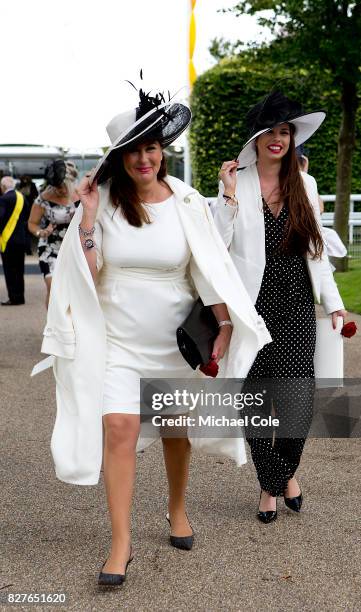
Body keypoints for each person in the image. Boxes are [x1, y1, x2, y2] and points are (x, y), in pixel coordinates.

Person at [35, 84, 271, 586]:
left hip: (173, 342)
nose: (144, 158)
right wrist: (91, 218)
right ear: (120, 157)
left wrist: (225, 322)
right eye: (133, 150)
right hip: (117, 340)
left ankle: (177, 507)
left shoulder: (186, 201)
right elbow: (87, 271)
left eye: (151, 147)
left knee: (174, 431)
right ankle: (120, 544)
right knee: (118, 428)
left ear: (162, 150)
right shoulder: (102, 203)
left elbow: (208, 267)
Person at [214, 90, 347, 524]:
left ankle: (277, 474)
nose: (278, 138)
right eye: (270, 131)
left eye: (285, 131)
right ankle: (274, 483)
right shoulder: (236, 181)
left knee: (295, 401)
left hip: (295, 305)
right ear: (256, 138)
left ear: (292, 139)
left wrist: (334, 304)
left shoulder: (304, 185)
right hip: (252, 308)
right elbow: (218, 245)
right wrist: (229, 197)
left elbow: (317, 251)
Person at [28, 160, 78, 308]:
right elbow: (32, 223)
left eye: (63, 186)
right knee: (53, 286)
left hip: (74, 248)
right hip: (50, 248)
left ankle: (69, 326)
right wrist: (41, 232)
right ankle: (52, 327)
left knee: (73, 289)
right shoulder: (43, 199)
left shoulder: (80, 195)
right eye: (57, 187)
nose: (61, 190)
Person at [0, 176, 28, 305]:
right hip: (21, 239)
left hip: (8, 240)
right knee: (19, 270)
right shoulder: (22, 198)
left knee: (10, 270)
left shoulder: (4, 199)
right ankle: (20, 296)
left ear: (3, 187)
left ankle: (13, 297)